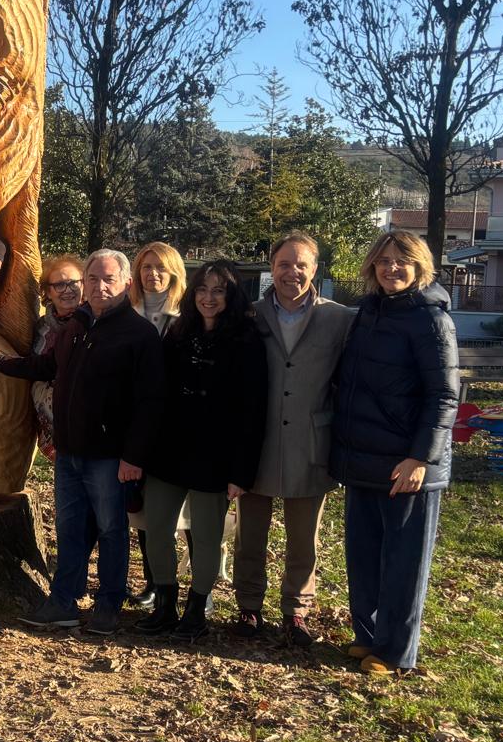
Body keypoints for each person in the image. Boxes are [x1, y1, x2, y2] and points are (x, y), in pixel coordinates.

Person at [0, 249, 163, 634]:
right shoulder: (75, 327)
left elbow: (150, 404)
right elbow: (46, 367)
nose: (99, 287)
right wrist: (0, 363)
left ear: (126, 284)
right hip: (69, 452)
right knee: (68, 529)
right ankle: (63, 602)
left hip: (110, 456)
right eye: (93, 279)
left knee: (113, 530)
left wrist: (134, 456)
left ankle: (108, 604)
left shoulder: (140, 335)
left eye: (108, 280)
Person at [331, 231, 458, 676]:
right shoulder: (366, 312)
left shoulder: (430, 319)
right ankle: (368, 638)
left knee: (403, 563)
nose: (391, 268)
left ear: (420, 265)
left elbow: (444, 395)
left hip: (407, 465)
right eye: (384, 260)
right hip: (364, 459)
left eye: (402, 261)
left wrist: (421, 457)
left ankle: (396, 651)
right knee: (363, 556)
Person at [137, 261, 268, 640]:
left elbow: (253, 410)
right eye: (202, 290)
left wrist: (241, 471)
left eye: (218, 291)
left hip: (216, 456)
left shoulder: (247, 340)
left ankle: (196, 610)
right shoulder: (179, 332)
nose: (209, 298)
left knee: (208, 536)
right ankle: (165, 603)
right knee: (157, 528)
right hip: (169, 451)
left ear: (231, 296)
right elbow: (158, 391)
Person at [235, 231, 355, 645]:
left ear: (315, 269)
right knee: (251, 532)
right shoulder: (248, 316)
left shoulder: (338, 319)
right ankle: (248, 606)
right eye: (284, 264)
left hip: (311, 442)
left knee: (304, 539)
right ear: (272, 267)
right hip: (257, 442)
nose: (292, 272)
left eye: (301, 264)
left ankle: (296, 610)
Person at [125, 241, 187, 609]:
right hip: (136, 428)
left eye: (161, 268)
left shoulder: (187, 317)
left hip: (178, 429)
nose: (153, 275)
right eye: (146, 267)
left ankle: (198, 589)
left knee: (189, 515)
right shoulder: (126, 315)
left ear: (174, 274)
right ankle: (153, 582)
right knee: (145, 510)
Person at [32, 254, 86, 460]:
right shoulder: (42, 326)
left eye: (73, 283)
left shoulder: (95, 321)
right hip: (50, 417)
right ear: (47, 291)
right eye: (59, 285)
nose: (68, 290)